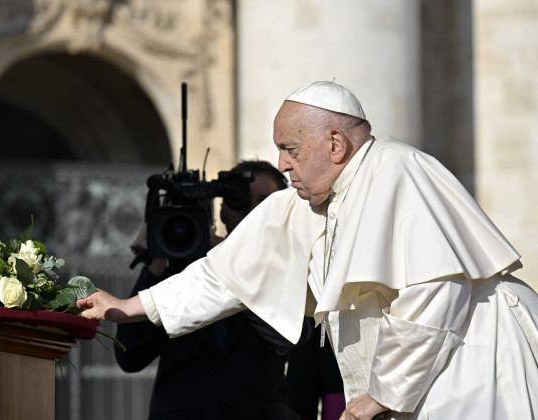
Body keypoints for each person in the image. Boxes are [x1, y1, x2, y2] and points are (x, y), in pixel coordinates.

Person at [77, 81, 538, 420]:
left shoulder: (399, 169)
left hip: (476, 360)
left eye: (290, 148)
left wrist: (381, 395)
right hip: (421, 378)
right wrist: (128, 307)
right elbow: (222, 276)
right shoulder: (308, 203)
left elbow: (435, 291)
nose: (282, 164)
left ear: (336, 144)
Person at [115, 160, 307, 420]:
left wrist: (227, 265)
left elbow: (291, 340)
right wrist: (156, 266)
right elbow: (130, 357)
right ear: (223, 210)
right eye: (240, 199)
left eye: (265, 203)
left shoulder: (286, 270)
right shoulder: (181, 268)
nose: (253, 212)